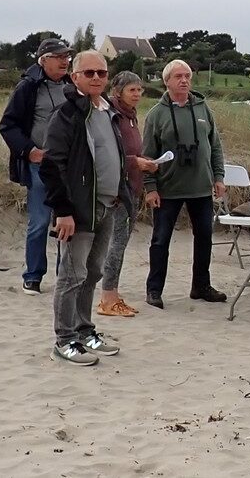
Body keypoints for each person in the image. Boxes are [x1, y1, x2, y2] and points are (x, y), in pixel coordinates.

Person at [40, 51, 132, 366]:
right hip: (79, 210)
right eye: (89, 72)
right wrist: (63, 211)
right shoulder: (66, 115)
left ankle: (84, 331)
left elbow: (113, 157)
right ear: (75, 76)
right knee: (72, 275)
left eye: (102, 73)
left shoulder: (108, 111)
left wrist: (121, 192)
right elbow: (52, 166)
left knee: (92, 273)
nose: (96, 78)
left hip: (107, 205)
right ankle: (63, 340)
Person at [142, 59, 227, 309]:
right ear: (166, 80)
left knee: (204, 237)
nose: (184, 80)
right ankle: (154, 290)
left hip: (200, 187)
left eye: (187, 76)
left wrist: (219, 177)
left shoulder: (203, 109)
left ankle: (201, 286)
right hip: (168, 188)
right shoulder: (156, 115)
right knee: (160, 240)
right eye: (178, 76)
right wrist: (150, 187)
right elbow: (148, 155)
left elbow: (215, 146)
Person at [0, 37, 74, 295]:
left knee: (67, 221)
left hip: (70, 166)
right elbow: (8, 125)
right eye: (59, 56)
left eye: (67, 56)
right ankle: (33, 276)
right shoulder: (28, 87)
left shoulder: (73, 86)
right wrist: (29, 151)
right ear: (44, 60)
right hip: (40, 166)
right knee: (40, 222)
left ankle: (64, 275)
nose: (65, 61)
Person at [97, 71, 159, 318]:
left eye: (139, 90)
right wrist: (137, 162)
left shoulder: (131, 116)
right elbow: (110, 155)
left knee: (120, 244)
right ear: (117, 91)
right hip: (116, 189)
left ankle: (112, 293)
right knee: (117, 243)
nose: (137, 94)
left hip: (132, 187)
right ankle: (107, 297)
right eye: (132, 90)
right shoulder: (111, 116)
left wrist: (145, 164)